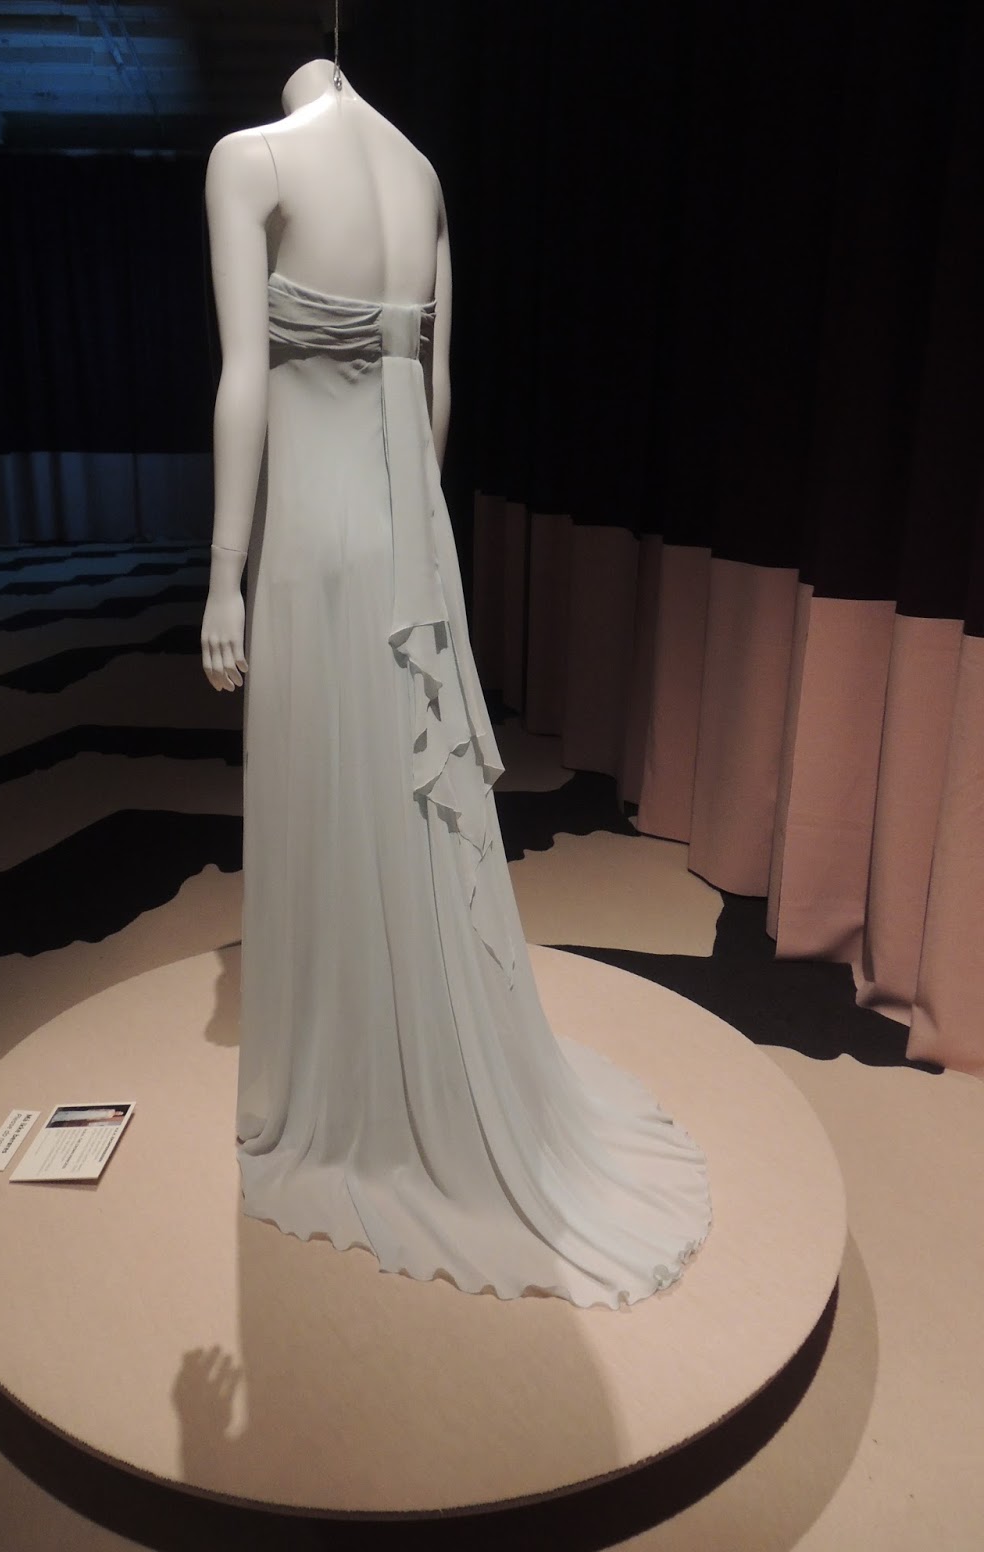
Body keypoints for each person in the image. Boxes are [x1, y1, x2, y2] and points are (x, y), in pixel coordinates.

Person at [200, 57, 711, 1307]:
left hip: (311, 542)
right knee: (402, 801)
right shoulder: (422, 173)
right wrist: (417, 546)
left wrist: (221, 574)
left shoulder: (249, 158)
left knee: (325, 792)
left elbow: (244, 375)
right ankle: (406, 1036)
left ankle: (343, 1079)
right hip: (402, 542)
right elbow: (435, 388)